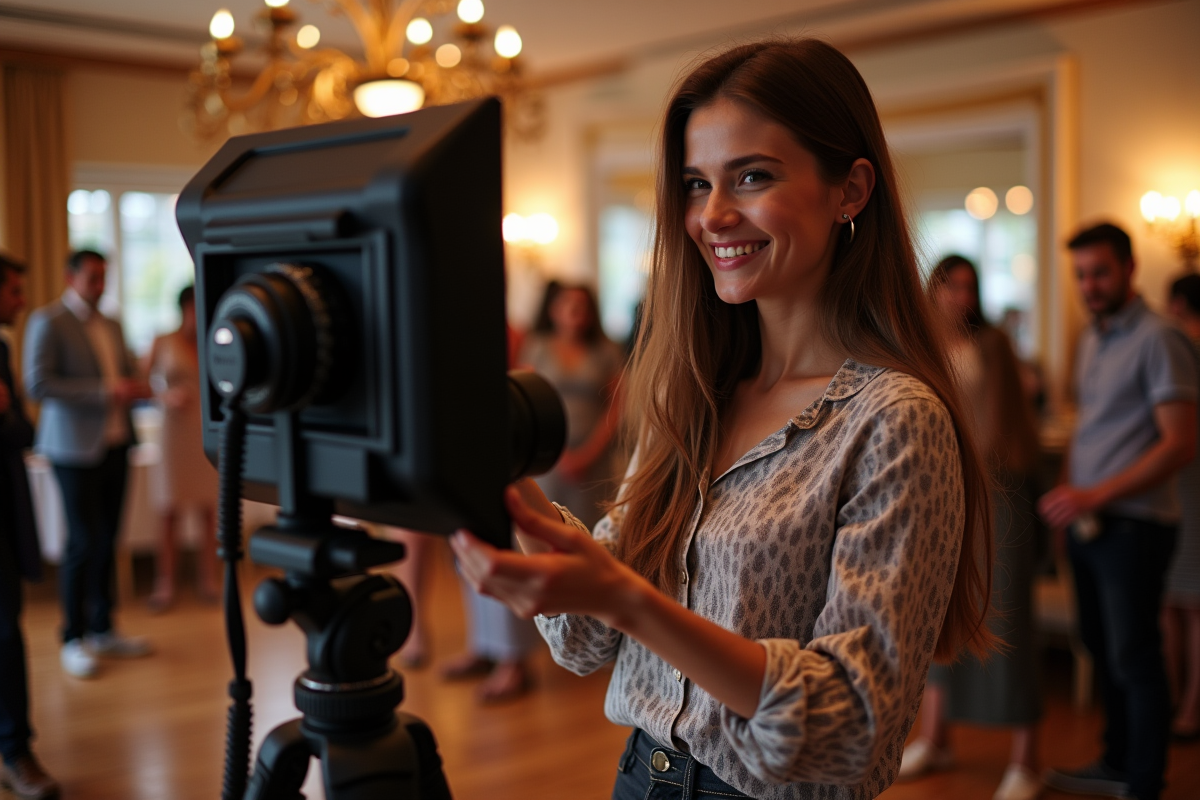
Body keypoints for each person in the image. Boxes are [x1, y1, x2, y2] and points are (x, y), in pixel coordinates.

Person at [449, 38, 995, 799]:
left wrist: (628, 600)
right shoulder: (692, 396)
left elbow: (852, 727)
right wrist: (501, 479)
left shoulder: (894, 420)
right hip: (641, 777)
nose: (713, 215)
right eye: (697, 184)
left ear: (851, 189)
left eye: (753, 176)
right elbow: (585, 638)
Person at [1038, 223, 1198, 800]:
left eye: (1100, 272)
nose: (1089, 285)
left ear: (1130, 268)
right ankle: (1116, 761)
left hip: (1136, 525)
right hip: (1088, 524)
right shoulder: (1093, 337)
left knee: (1135, 656)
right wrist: (1070, 494)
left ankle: (1144, 782)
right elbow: (1089, 430)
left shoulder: (1160, 338)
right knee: (1102, 649)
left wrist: (1094, 495)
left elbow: (1180, 442)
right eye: (1081, 275)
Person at [900, 256, 1044, 800]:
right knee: (940, 616)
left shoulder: (994, 346)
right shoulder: (918, 347)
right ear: (932, 291)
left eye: (968, 287)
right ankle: (936, 738)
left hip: (997, 492)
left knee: (1010, 615)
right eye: (949, 286)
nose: (960, 296)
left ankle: (1027, 759)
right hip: (940, 494)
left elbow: (1011, 425)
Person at [23, 249, 154, 679]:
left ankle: (103, 627)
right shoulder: (49, 320)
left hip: (117, 444)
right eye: (93, 277)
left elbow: (126, 373)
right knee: (81, 541)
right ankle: (72, 637)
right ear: (71, 277)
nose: (100, 285)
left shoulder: (113, 323)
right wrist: (105, 391)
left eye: (104, 277)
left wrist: (140, 383)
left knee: (108, 540)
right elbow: (39, 383)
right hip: (71, 450)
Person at [0, 255, 59, 799]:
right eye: (14, 291)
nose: (21, 301)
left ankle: (16, 750)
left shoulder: (1, 350)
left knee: (6, 635)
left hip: (1, 520)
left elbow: (24, 432)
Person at [519, 282, 625, 526]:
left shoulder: (606, 351)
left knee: (592, 527)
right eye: (567, 303)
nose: (575, 309)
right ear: (553, 309)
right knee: (546, 524)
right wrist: (559, 455)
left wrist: (587, 455)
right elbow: (527, 403)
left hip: (595, 458)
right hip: (549, 456)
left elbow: (617, 407)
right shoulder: (537, 347)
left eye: (582, 305)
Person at [144, 286, 219, 612]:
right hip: (174, 432)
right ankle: (165, 583)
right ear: (183, 308)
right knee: (169, 510)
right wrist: (166, 396)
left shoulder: (213, 340)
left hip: (205, 431)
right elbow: (141, 384)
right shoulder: (162, 340)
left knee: (209, 509)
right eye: (193, 308)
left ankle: (208, 579)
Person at [1163, 273, 1200, 742]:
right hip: (1183, 481)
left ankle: (1181, 706)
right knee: (1187, 605)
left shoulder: (1176, 345)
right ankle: (1186, 707)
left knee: (1178, 602)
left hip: (1181, 481)